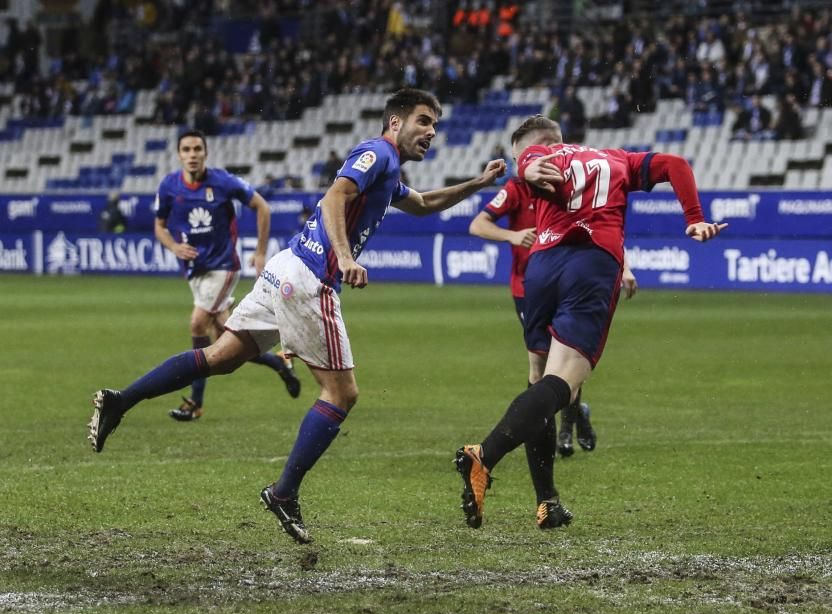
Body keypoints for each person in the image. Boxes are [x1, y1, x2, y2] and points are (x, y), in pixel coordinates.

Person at [89, 89, 507, 544]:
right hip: (309, 279)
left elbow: (424, 203)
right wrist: (345, 257)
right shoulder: (377, 153)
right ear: (395, 122)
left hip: (286, 266)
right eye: (423, 121)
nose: (431, 132)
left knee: (221, 356)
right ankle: (284, 492)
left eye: (436, 126)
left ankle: (120, 400)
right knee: (341, 392)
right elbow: (334, 198)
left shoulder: (389, 172)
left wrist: (477, 184)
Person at [454, 116, 726, 530]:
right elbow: (675, 164)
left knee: (539, 381)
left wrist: (525, 167)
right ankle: (485, 455)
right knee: (563, 386)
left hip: (541, 269)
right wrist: (693, 216)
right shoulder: (616, 159)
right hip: (592, 263)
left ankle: (547, 502)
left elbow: (530, 162)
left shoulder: (538, 155)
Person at [469, 131, 639, 458]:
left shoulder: (579, 180)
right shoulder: (517, 188)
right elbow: (478, 224)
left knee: (566, 359)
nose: (524, 163)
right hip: (530, 285)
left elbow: (605, 231)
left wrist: (626, 267)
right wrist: (513, 235)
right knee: (541, 370)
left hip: (573, 277)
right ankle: (574, 417)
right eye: (521, 159)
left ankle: (564, 433)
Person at [154, 129, 301, 422]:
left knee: (197, 323)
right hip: (196, 272)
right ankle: (280, 365)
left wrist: (260, 252)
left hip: (223, 267)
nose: (192, 154)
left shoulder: (222, 181)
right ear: (179, 154)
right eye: (187, 149)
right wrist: (173, 246)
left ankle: (195, 403)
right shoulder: (169, 186)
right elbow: (159, 225)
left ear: (205, 153)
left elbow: (262, 206)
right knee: (227, 339)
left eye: (197, 149)